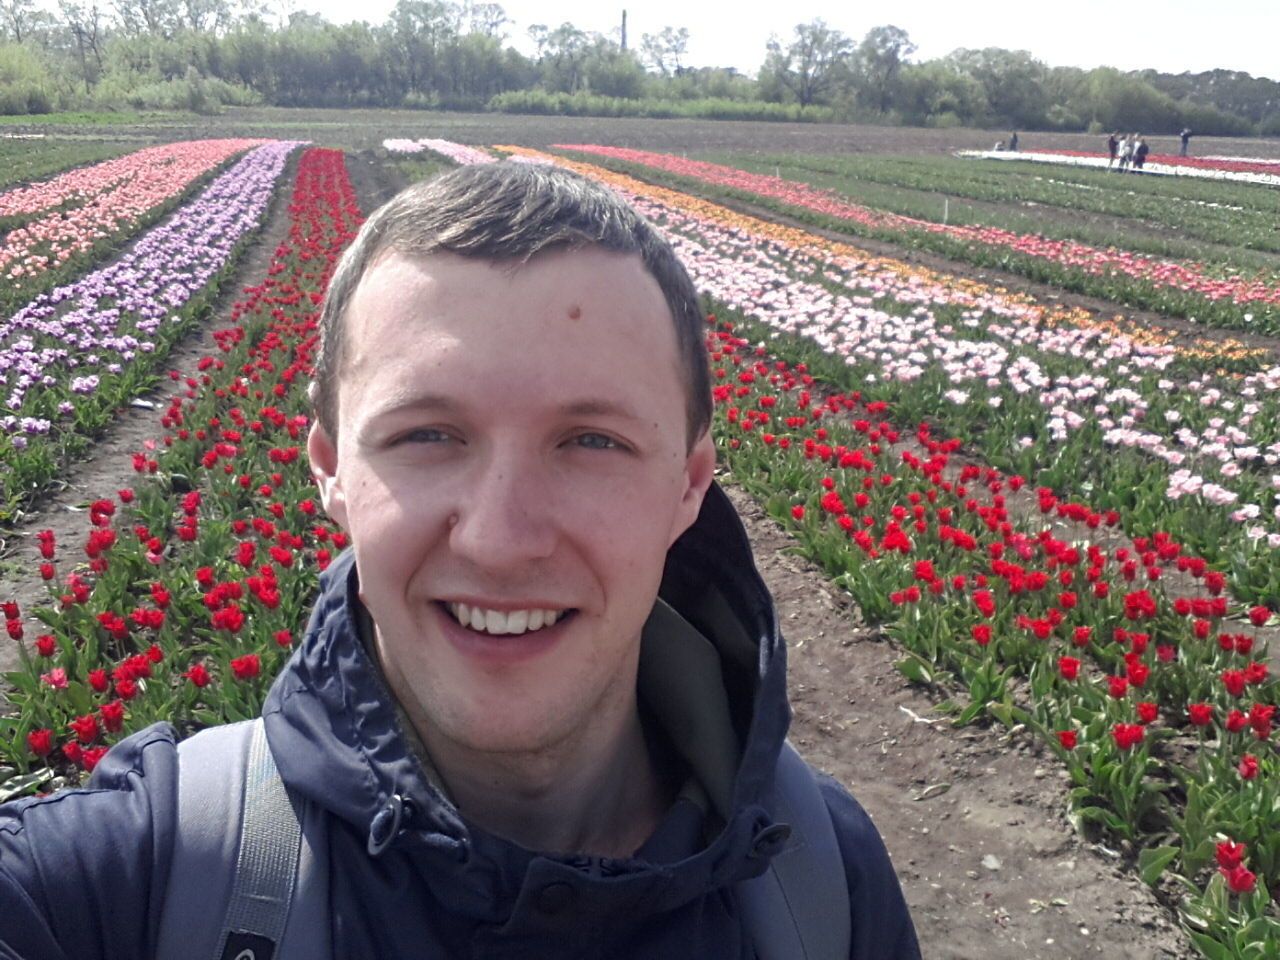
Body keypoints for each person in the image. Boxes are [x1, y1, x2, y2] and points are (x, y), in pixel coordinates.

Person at [0, 163, 922, 959]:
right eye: (428, 435)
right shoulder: (132, 879)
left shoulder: (820, 884)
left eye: (591, 441)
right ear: (330, 468)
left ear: (689, 485)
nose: (499, 538)